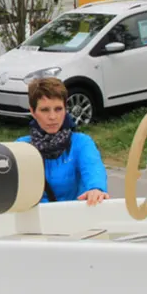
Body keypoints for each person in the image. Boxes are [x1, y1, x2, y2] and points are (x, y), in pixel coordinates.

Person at [18, 77, 109, 206]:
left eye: (58, 109)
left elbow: (93, 168)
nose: (52, 117)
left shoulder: (81, 142)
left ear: (65, 108)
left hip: (74, 219)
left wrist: (96, 189)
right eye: (44, 110)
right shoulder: (21, 148)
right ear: (33, 111)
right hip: (37, 221)